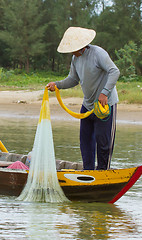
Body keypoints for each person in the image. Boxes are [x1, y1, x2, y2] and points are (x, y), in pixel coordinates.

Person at [47, 27, 120, 170]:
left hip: (104, 105)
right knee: (85, 141)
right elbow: (73, 79)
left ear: (81, 46)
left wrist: (105, 93)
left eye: (72, 48)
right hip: (87, 105)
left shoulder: (98, 53)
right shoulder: (75, 58)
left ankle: (103, 172)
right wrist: (57, 85)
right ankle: (88, 170)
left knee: (103, 141)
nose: (71, 52)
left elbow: (114, 71)